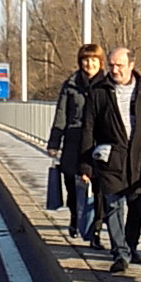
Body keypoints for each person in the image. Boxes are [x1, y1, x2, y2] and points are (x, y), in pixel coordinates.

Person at [80, 47, 141, 274]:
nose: (114, 70)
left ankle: (131, 245)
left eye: (119, 65)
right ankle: (120, 252)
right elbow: (88, 128)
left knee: (136, 206)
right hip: (110, 158)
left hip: (139, 158)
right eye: (111, 65)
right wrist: (85, 165)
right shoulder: (99, 91)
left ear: (131, 65)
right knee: (113, 206)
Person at [47, 43, 107, 246]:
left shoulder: (107, 84)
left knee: (98, 188)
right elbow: (61, 115)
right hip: (74, 141)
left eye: (93, 60)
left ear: (100, 62)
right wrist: (54, 142)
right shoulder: (71, 84)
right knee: (72, 186)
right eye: (85, 60)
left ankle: (95, 230)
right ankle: (75, 217)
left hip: (98, 143)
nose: (89, 64)